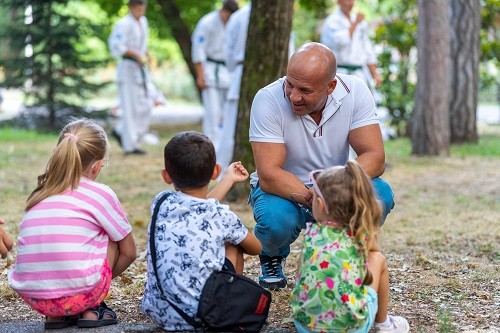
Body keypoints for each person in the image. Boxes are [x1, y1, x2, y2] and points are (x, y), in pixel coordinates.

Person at [248, 42, 394, 290]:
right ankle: (272, 255)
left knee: (382, 195)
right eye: (289, 84)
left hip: (337, 185)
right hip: (284, 190)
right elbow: (269, 174)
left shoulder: (355, 91)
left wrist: (333, 191)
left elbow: (374, 156)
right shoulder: (267, 99)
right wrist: (314, 197)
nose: (294, 96)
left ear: (330, 86)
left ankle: (344, 255)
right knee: (275, 221)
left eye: (304, 90)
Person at [8, 119, 137, 329]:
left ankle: (57, 317)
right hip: (83, 293)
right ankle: (91, 308)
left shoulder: (40, 193)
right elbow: (130, 252)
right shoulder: (101, 193)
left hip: (35, 297)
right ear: (96, 166)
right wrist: (95, 288)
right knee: (109, 233)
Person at [141, 131, 262, 331]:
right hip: (205, 317)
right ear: (215, 171)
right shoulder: (221, 216)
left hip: (162, 313)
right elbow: (256, 248)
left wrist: (229, 180)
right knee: (233, 243)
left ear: (166, 176)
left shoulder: (161, 202)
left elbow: (199, 205)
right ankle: (228, 310)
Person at [290, 161, 409, 333]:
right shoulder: (360, 233)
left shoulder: (312, 233)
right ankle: (384, 324)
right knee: (378, 259)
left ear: (321, 205)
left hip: (304, 325)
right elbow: (372, 255)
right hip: (353, 328)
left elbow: (301, 272)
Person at [191, 0, 239, 149]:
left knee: (228, 115)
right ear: (222, 10)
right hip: (210, 73)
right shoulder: (207, 22)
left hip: (228, 74)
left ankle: (224, 149)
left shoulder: (235, 23)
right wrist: (200, 75)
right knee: (212, 114)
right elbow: (198, 49)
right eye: (227, 16)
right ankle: (210, 148)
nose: (228, 19)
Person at [108, 0, 151, 155]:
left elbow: (142, 44)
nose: (141, 11)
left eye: (143, 8)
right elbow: (116, 45)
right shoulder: (123, 24)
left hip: (139, 69)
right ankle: (130, 146)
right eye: (138, 8)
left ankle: (120, 131)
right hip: (127, 68)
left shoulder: (143, 22)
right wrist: (134, 53)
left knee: (144, 105)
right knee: (129, 108)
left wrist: (145, 53)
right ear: (131, 8)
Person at [320, 0, 381, 91]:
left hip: (360, 74)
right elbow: (340, 42)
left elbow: (366, 48)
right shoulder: (332, 21)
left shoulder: (360, 22)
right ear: (338, 1)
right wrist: (355, 24)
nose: (350, 3)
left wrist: (375, 73)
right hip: (339, 73)